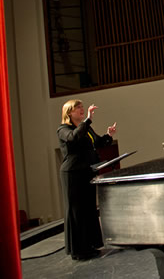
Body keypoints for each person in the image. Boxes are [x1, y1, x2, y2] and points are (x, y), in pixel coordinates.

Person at [57, 99, 117, 260]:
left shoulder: (86, 128)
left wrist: (109, 135)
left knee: (89, 208)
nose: (81, 109)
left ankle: (90, 245)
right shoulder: (63, 129)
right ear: (69, 113)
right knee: (77, 210)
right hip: (72, 174)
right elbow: (73, 138)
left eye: (82, 107)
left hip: (87, 172)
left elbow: (97, 142)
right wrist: (88, 119)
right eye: (78, 108)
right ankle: (79, 250)